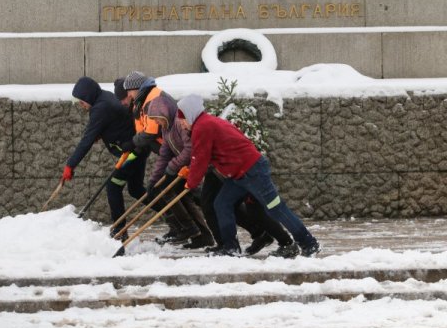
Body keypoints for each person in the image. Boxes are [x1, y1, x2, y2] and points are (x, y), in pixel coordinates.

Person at [177, 94, 320, 257]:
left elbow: (200, 158)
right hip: (239, 174)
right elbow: (204, 156)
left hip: (252, 171)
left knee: (276, 209)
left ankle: (309, 243)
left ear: (190, 113)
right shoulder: (205, 123)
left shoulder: (203, 126)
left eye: (182, 118)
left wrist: (191, 182)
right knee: (222, 203)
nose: (181, 123)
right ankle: (231, 247)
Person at [60, 76, 149, 239]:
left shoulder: (101, 108)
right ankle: (178, 219)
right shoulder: (104, 97)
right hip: (137, 148)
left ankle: (119, 231)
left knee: (113, 187)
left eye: (82, 102)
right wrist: (103, 132)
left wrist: (70, 165)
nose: (82, 106)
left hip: (133, 151)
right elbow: (114, 122)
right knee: (136, 190)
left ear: (88, 96)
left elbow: (86, 140)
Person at [147, 95, 215, 249]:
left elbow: (190, 148)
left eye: (157, 118)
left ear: (164, 113)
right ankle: (200, 234)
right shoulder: (166, 128)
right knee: (177, 194)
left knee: (184, 196)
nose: (156, 122)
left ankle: (190, 229)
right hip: (185, 167)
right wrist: (154, 179)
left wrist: (173, 166)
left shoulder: (179, 123)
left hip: (196, 166)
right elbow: (165, 154)